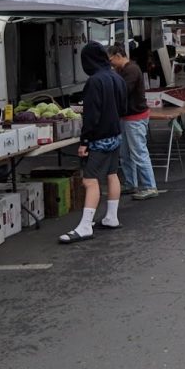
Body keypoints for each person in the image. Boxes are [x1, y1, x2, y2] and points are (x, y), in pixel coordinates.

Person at [59, 42, 126, 243]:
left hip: (99, 138)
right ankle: (111, 217)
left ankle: (86, 225)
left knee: (90, 180)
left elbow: (91, 115)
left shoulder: (95, 81)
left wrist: (84, 141)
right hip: (115, 134)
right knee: (112, 174)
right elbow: (123, 107)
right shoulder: (117, 77)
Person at [107, 45, 158, 200]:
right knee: (125, 154)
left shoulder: (131, 70)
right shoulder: (122, 70)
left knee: (138, 152)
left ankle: (150, 186)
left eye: (111, 60)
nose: (111, 64)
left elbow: (122, 91)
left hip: (135, 117)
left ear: (117, 55)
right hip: (126, 117)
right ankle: (131, 183)